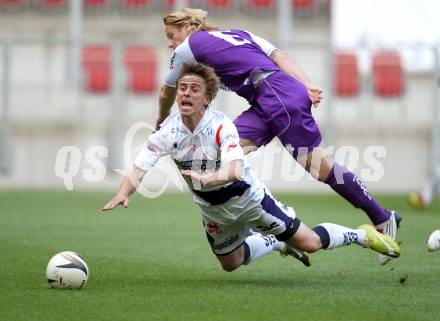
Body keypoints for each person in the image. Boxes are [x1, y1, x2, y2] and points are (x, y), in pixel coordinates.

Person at [157, 8, 401, 265]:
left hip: (276, 96)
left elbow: (166, 91)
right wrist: (305, 83)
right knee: (221, 153)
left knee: (322, 169)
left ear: (185, 26)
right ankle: (264, 232)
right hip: (270, 96)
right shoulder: (238, 34)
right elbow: (279, 55)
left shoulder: (187, 47)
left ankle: (383, 217)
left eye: (170, 35)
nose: (170, 42)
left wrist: (159, 120)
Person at [103, 62, 400, 273]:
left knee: (309, 243)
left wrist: (208, 178)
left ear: (207, 98)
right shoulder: (168, 131)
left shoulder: (221, 128)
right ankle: (272, 242)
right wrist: (123, 191)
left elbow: (233, 170)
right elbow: (141, 165)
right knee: (230, 264)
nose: (185, 94)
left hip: (251, 201)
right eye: (182, 88)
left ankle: (362, 235)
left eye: (194, 89)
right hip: (213, 212)